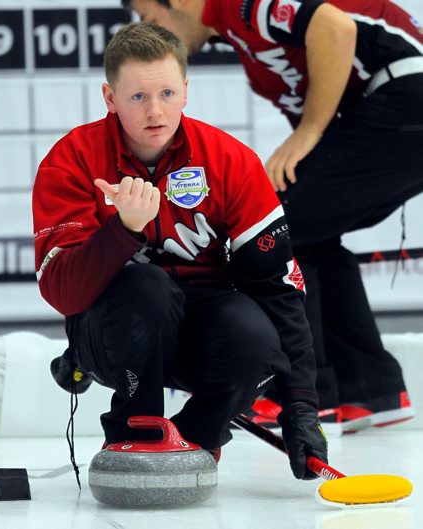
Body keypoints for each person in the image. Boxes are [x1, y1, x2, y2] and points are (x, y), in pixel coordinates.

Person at [32, 22, 327, 479]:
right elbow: (64, 293)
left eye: (167, 93)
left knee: (254, 335)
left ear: (186, 91)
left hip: (198, 326)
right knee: (147, 287)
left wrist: (302, 407)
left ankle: (194, 439)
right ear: (110, 99)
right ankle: (135, 436)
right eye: (137, 97)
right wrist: (124, 230)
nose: (155, 111)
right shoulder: (71, 159)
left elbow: (280, 290)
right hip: (110, 330)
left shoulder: (231, 161)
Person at [124, 0, 422, 433]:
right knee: (311, 228)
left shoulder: (237, 5)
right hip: (394, 106)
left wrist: (309, 133)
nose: (152, 30)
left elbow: (334, 28)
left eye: (149, 14)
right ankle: (369, 387)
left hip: (406, 94)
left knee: (278, 228)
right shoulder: (245, 45)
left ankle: (307, 395)